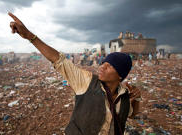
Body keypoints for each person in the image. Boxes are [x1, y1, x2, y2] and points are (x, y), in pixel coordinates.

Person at [8, 12, 141, 135]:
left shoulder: (124, 94)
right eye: (103, 63)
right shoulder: (87, 81)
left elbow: (131, 114)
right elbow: (58, 60)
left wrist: (137, 100)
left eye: (109, 66)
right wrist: (30, 36)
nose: (102, 67)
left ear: (120, 75)